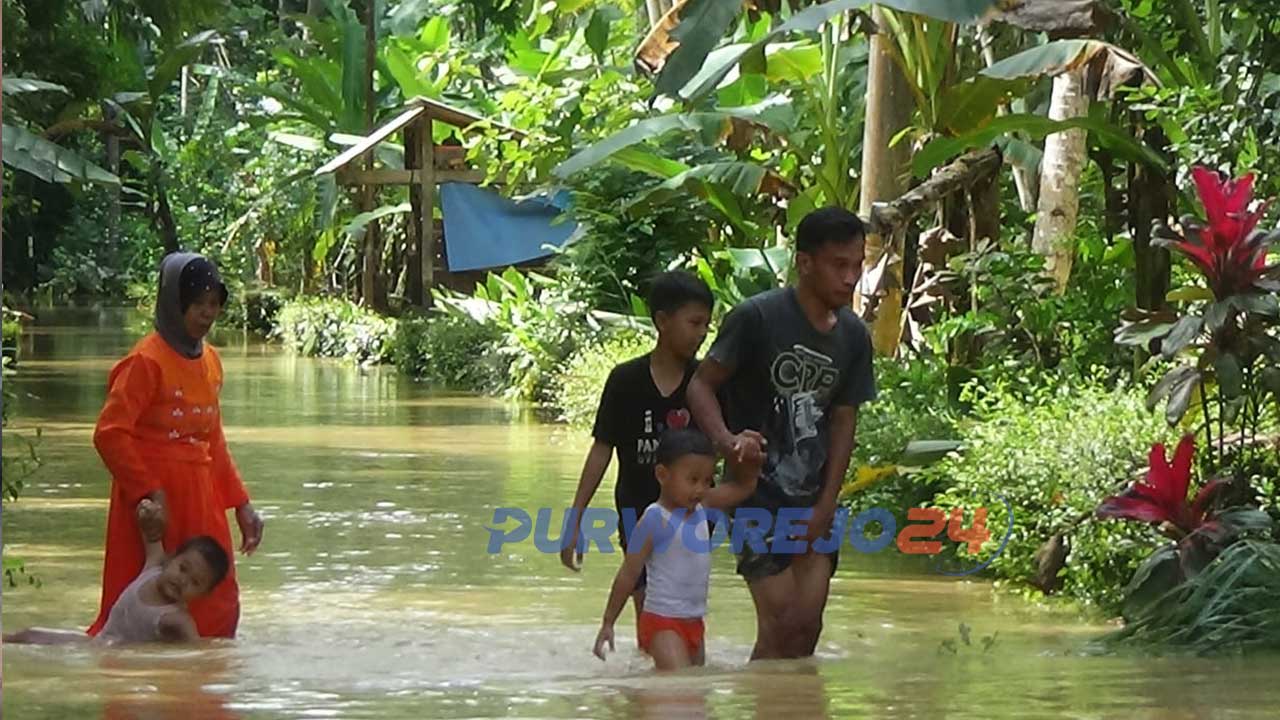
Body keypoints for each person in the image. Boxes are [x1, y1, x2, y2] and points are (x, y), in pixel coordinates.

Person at [687, 207, 877, 660]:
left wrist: (827, 502)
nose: (850, 278)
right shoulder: (757, 318)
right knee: (779, 620)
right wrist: (727, 441)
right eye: (839, 265)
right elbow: (700, 385)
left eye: (857, 265)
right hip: (755, 493)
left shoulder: (853, 335)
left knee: (806, 627)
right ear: (805, 262)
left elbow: (844, 420)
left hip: (814, 495)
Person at [88, 251, 264, 640]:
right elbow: (110, 433)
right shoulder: (144, 362)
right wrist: (149, 492)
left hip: (201, 497)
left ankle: (202, 692)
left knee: (216, 600)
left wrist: (242, 504)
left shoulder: (212, 362)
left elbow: (212, 438)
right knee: (140, 605)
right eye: (198, 304)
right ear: (175, 302)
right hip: (153, 503)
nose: (207, 314)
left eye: (214, 305)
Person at [560, 271, 714, 624]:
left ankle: (673, 673)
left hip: (692, 514)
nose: (702, 333)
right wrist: (576, 517)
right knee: (651, 608)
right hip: (636, 511)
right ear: (662, 321)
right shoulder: (625, 380)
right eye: (693, 322)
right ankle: (659, 672)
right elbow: (602, 449)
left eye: (706, 324)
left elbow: (722, 442)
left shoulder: (706, 381)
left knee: (683, 608)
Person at [592, 428, 760, 671]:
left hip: (694, 622)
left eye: (707, 480)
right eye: (692, 480)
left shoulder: (705, 504)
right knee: (679, 687)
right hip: (662, 622)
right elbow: (629, 573)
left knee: (694, 698)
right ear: (662, 474)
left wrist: (748, 458)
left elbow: (745, 487)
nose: (700, 489)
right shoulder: (653, 519)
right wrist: (608, 622)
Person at [6, 493, 231, 645]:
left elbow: (197, 654)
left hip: (112, 661)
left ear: (203, 595)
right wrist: (147, 510)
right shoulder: (153, 567)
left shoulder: (176, 620)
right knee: (27, 635)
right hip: (96, 644)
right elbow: (150, 535)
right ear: (170, 559)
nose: (183, 580)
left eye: (195, 583)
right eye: (183, 569)